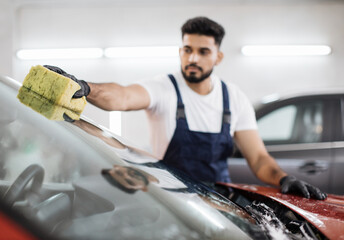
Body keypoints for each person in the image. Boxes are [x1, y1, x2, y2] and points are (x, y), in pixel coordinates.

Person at [44, 16, 327, 200]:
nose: (193, 57)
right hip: (169, 197)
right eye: (187, 49)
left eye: (203, 52)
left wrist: (283, 178)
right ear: (181, 50)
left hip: (219, 200)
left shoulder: (234, 98)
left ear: (218, 56)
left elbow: (259, 159)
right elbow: (122, 96)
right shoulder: (164, 88)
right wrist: (85, 86)